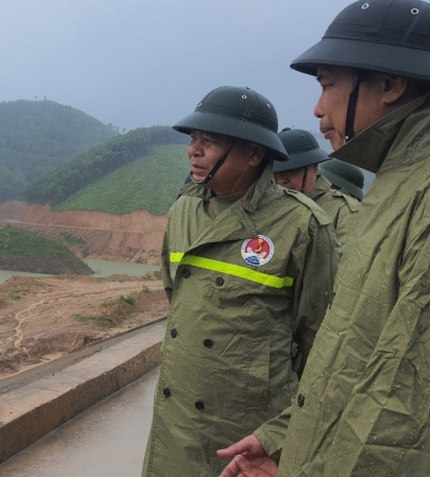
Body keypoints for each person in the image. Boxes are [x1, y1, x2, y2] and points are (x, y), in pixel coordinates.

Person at [218, 1, 430, 476]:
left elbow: (410, 428)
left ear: (389, 85)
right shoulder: (400, 184)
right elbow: (354, 354)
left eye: (328, 84)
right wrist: (288, 441)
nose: (318, 108)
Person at [141, 86, 337, 476]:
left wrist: (282, 436)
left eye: (209, 142)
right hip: (176, 423)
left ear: (253, 153)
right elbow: (177, 297)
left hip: (248, 431)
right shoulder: (184, 210)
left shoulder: (301, 225)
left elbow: (321, 345)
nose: (193, 151)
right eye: (194, 140)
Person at [274, 128, 360, 244]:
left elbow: (350, 259)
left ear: (314, 167)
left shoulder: (343, 212)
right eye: (274, 172)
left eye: (291, 171)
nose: (280, 180)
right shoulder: (266, 208)